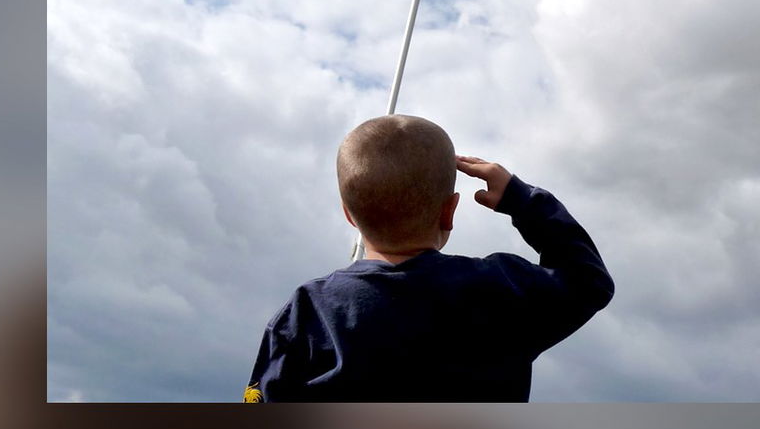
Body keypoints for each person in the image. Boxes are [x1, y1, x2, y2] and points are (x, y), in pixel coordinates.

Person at [244, 114, 614, 402]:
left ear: (348, 214)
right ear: (449, 211)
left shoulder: (308, 311)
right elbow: (587, 279)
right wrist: (522, 200)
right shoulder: (499, 291)